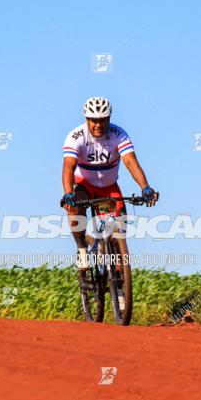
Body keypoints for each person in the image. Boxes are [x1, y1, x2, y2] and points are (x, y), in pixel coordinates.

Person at [60, 96, 158, 276]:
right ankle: (82, 249)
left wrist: (146, 187)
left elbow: (131, 163)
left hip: (108, 186)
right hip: (84, 185)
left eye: (102, 120)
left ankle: (120, 281)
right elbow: (68, 167)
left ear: (109, 119)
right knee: (74, 209)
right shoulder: (76, 136)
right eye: (94, 120)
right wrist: (68, 194)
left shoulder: (118, 135)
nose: (98, 124)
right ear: (87, 119)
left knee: (120, 228)